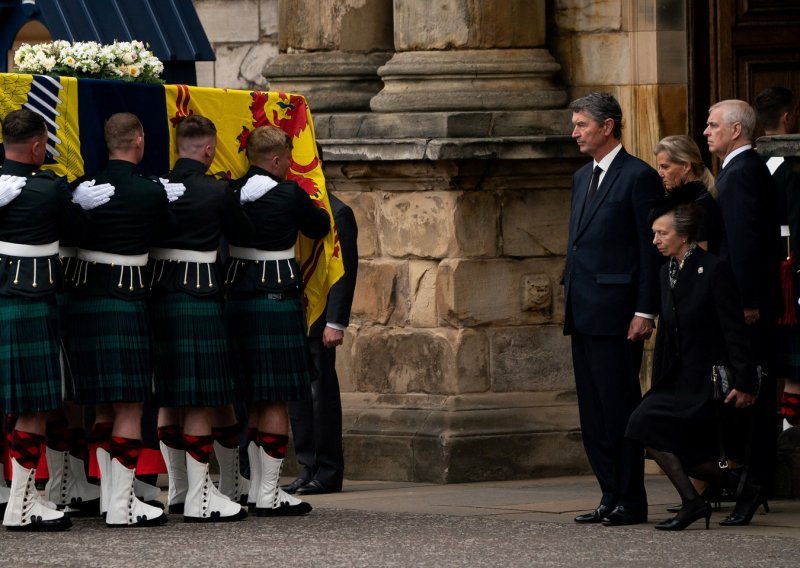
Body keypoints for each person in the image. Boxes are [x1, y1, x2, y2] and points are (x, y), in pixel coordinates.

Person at [67, 112, 181, 528]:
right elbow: (168, 233)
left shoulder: (82, 189)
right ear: (139, 140)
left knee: (100, 401)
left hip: (84, 298)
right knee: (130, 402)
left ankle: (107, 499)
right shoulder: (149, 192)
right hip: (126, 297)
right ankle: (120, 505)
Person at [0, 108, 110, 530]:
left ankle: (24, 498)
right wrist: (76, 204)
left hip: (8, 302)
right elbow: (78, 233)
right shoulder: (47, 189)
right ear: (36, 146)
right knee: (34, 407)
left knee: (20, 405)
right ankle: (22, 506)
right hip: (32, 304)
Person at [626, 196, 762, 530]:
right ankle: (736, 490)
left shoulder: (713, 269)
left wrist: (746, 382)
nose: (655, 240)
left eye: (661, 233)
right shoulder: (665, 271)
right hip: (680, 376)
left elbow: (734, 330)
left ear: (683, 236)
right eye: (654, 234)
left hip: (708, 377)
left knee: (646, 425)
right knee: (649, 429)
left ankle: (701, 500)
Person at [564, 92, 663, 526]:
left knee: (619, 406)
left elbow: (649, 251)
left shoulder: (638, 176)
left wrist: (645, 311)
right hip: (582, 310)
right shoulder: (581, 177)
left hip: (619, 313)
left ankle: (631, 498)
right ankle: (608, 493)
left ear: (608, 126)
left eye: (582, 124)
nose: (575, 133)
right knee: (592, 412)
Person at [148, 115, 253, 522]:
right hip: (199, 296)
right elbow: (243, 233)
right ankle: (198, 497)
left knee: (169, 393)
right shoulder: (215, 190)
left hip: (158, 295)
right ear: (209, 149)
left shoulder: (155, 189)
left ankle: (179, 489)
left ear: (178, 147)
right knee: (197, 395)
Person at [224, 125, 330, 516]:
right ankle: (267, 492)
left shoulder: (231, 192)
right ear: (275, 160)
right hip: (276, 297)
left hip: (237, 296)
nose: (289, 166)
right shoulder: (288, 193)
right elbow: (318, 227)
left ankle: (252, 488)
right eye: (286, 160)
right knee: (274, 397)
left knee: (251, 393)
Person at [704, 99, 782, 501]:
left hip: (745, 304)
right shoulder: (742, 170)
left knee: (750, 393)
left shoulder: (739, 174)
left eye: (713, 124)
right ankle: (748, 479)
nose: (706, 131)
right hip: (748, 299)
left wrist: (747, 301)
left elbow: (744, 244)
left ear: (736, 130)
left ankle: (749, 482)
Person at [283, 173, 359, 496]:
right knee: (298, 398)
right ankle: (307, 466)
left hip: (321, 319)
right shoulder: (295, 209)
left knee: (321, 396)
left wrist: (336, 321)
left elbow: (344, 272)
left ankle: (328, 469)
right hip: (296, 314)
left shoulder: (339, 212)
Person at [753, 86, 800, 430]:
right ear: (788, 117)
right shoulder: (793, 166)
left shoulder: (747, 161)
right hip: (787, 267)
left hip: (760, 266)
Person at [653, 135, 725, 254]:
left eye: (665, 167)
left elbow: (698, 262)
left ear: (686, 166)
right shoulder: (683, 201)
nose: (660, 173)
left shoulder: (700, 205)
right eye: (659, 167)